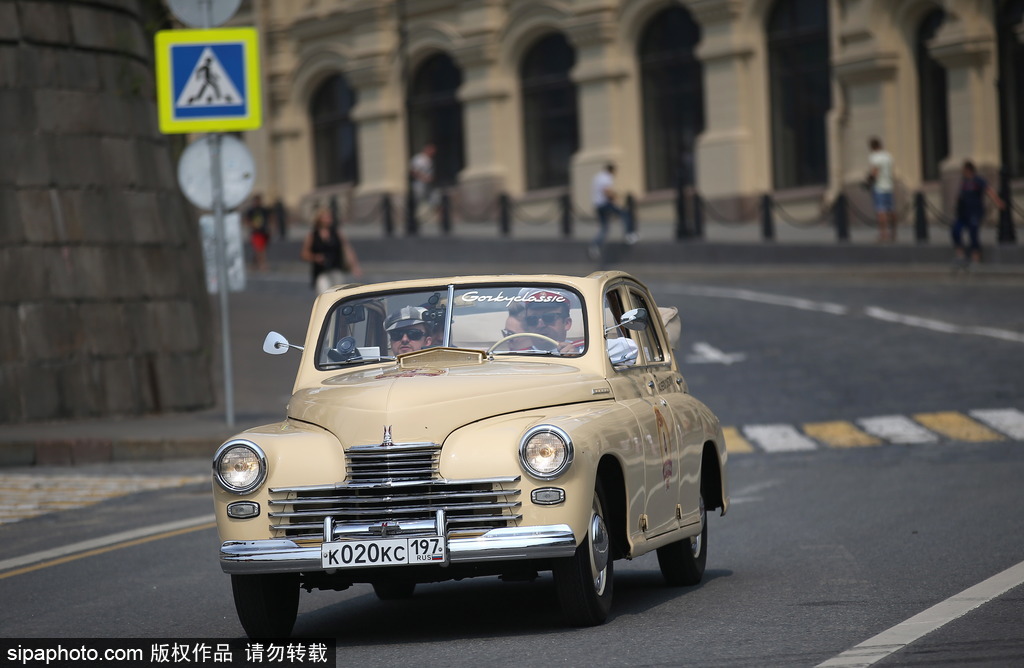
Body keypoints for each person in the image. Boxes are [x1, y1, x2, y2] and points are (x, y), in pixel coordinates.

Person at [952, 160, 1004, 266]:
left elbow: (989, 191)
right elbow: (960, 195)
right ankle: (960, 254)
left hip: (974, 212)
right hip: (963, 213)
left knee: (973, 232)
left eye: (964, 170)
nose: (963, 172)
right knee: (955, 230)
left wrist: (998, 202)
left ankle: (976, 256)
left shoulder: (978, 180)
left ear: (969, 170)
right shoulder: (964, 181)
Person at [301, 207, 362, 293]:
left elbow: (347, 249)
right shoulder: (313, 235)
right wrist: (315, 257)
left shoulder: (336, 233)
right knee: (325, 292)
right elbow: (304, 254)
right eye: (325, 217)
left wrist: (354, 266)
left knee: (337, 293)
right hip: (321, 272)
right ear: (319, 219)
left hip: (336, 269)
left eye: (329, 217)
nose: (328, 219)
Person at [590, 163, 637, 260]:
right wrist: (616, 196)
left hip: (598, 205)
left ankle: (595, 247)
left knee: (604, 228)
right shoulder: (606, 177)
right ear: (611, 170)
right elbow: (607, 191)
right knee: (624, 213)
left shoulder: (597, 177)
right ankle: (629, 235)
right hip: (605, 204)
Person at [522, 289, 580, 354]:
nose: (540, 325)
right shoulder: (516, 356)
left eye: (549, 317)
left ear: (567, 323)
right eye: (532, 319)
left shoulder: (586, 352)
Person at [867, 137, 896, 242]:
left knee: (881, 211)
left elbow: (875, 172)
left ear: (872, 147)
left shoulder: (875, 157)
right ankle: (893, 233)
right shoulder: (888, 156)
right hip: (889, 185)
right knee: (891, 210)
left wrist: (869, 180)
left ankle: (883, 234)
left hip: (879, 187)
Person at [244, 194, 272, 271]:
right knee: (259, 250)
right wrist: (251, 225)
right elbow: (247, 220)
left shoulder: (264, 210)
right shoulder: (251, 210)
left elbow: (269, 219)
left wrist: (270, 228)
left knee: (260, 249)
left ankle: (255, 264)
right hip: (256, 233)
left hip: (264, 232)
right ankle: (262, 264)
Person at [410, 143, 438, 215]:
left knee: (435, 200)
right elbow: (414, 171)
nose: (433, 152)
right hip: (419, 185)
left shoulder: (430, 159)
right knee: (418, 201)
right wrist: (425, 178)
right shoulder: (419, 158)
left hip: (429, 185)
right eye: (432, 149)